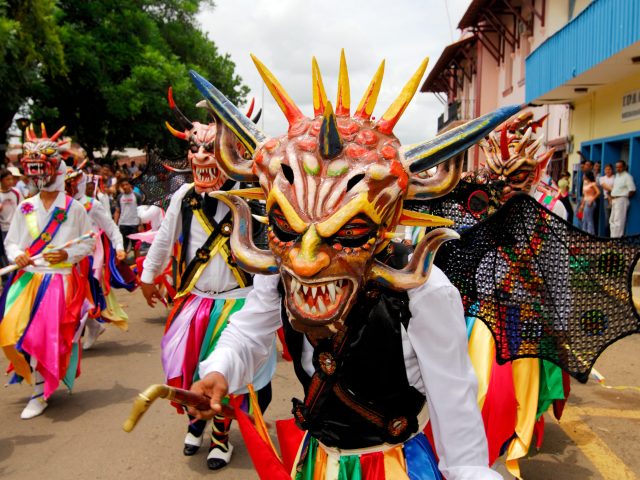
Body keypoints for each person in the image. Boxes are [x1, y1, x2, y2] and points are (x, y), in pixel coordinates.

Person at [185, 53, 519, 479]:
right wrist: (217, 371)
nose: (308, 261)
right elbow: (248, 335)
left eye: (346, 232)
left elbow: (455, 408)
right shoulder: (283, 272)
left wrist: (471, 473)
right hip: (315, 463)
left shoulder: (422, 290)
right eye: (288, 226)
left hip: (393, 466)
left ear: (383, 223)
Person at [141, 88, 276, 471]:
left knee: (232, 374)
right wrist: (149, 275)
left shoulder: (254, 198)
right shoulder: (183, 195)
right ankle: (195, 423)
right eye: (196, 149)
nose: (201, 156)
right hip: (194, 301)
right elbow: (165, 239)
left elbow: (270, 256)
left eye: (211, 149)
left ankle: (221, 439)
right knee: (186, 368)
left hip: (239, 303)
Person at [0, 125, 95, 419]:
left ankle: (39, 392)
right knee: (11, 332)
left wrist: (67, 253)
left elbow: (88, 242)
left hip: (59, 281)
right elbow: (12, 241)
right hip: (27, 279)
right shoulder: (25, 207)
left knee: (42, 336)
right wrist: (19, 255)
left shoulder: (74, 207)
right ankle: (36, 381)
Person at [65, 169, 128, 349]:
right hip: (65, 259)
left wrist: (120, 248)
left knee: (80, 297)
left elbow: (111, 228)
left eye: (73, 183)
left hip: (88, 260)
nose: (69, 187)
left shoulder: (92, 205)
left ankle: (80, 333)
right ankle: (92, 326)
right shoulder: (60, 205)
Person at [0, 169, 24, 267]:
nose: (11, 182)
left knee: (17, 250)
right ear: (1, 181)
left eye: (11, 179)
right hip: (3, 229)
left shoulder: (16, 192)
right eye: (7, 179)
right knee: (5, 252)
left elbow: (23, 208)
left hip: (16, 228)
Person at [609, 160, 636, 237]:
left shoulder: (627, 177)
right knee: (612, 220)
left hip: (621, 200)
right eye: (617, 167)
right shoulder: (617, 176)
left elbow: (632, 189)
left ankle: (617, 240)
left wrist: (623, 196)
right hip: (614, 199)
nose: (618, 169)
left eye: (620, 167)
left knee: (619, 221)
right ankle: (612, 238)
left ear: (624, 167)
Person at [114, 178, 141, 252]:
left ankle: (137, 261)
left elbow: (140, 210)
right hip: (123, 224)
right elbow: (117, 211)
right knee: (123, 245)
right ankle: (123, 261)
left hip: (134, 224)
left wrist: (141, 224)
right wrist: (115, 224)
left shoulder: (137, 196)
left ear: (130, 185)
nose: (125, 186)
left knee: (136, 245)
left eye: (126, 184)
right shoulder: (119, 197)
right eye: (123, 185)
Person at [579, 170, 600, 235]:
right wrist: (582, 205)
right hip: (585, 201)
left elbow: (598, 192)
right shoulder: (585, 183)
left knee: (589, 219)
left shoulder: (593, 184)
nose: (583, 176)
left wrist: (592, 199)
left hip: (590, 202)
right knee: (584, 218)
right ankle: (584, 232)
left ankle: (590, 233)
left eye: (584, 175)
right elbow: (584, 195)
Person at [598, 164, 615, 235]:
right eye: (606, 169)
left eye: (609, 169)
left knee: (614, 218)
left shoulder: (616, 177)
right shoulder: (602, 178)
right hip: (606, 199)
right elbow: (604, 187)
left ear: (612, 170)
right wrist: (614, 190)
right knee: (607, 218)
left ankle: (613, 236)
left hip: (615, 199)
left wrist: (612, 191)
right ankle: (607, 236)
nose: (608, 171)